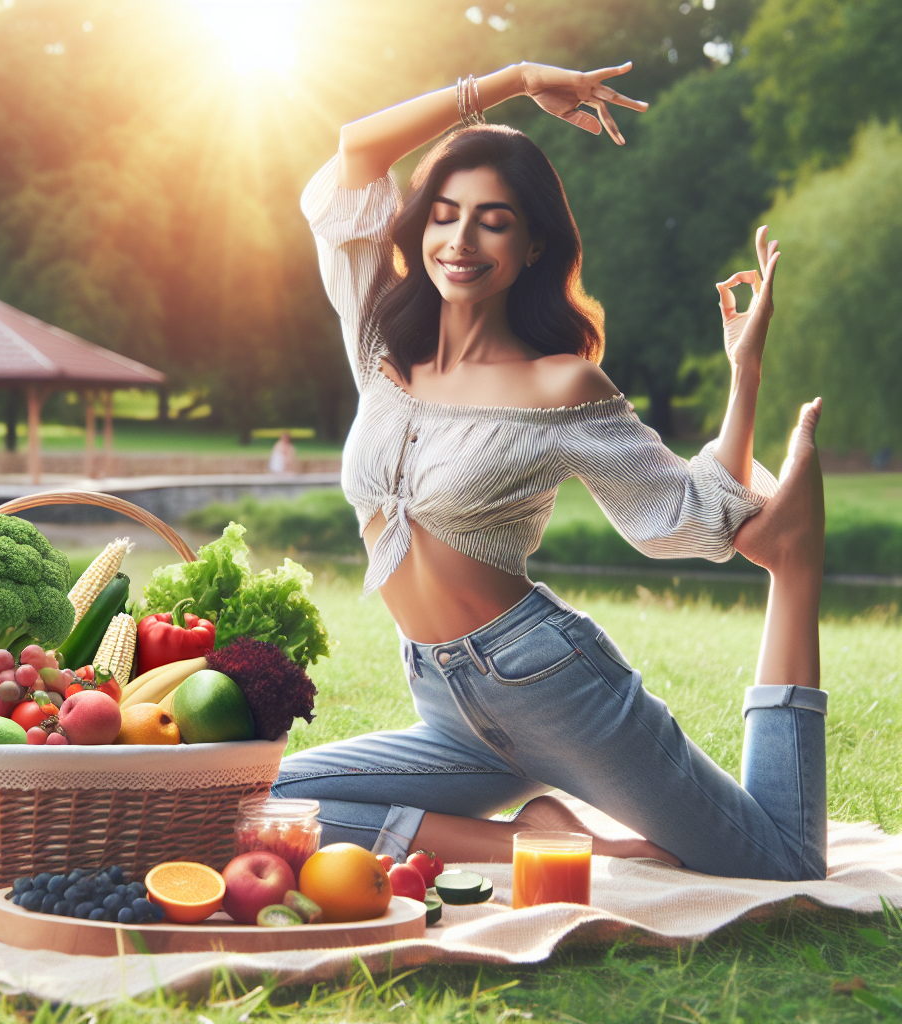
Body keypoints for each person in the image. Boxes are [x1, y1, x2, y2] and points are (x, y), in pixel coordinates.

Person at [271, 61, 828, 882]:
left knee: (777, 858)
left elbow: (686, 511)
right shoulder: (382, 345)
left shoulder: (560, 385)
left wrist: (743, 375)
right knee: (266, 797)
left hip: (550, 685)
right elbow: (355, 155)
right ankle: (557, 841)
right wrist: (516, 79)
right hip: (444, 697)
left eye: (492, 222)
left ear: (533, 245)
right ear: (420, 226)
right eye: (445, 216)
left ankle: (802, 568)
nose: (460, 241)